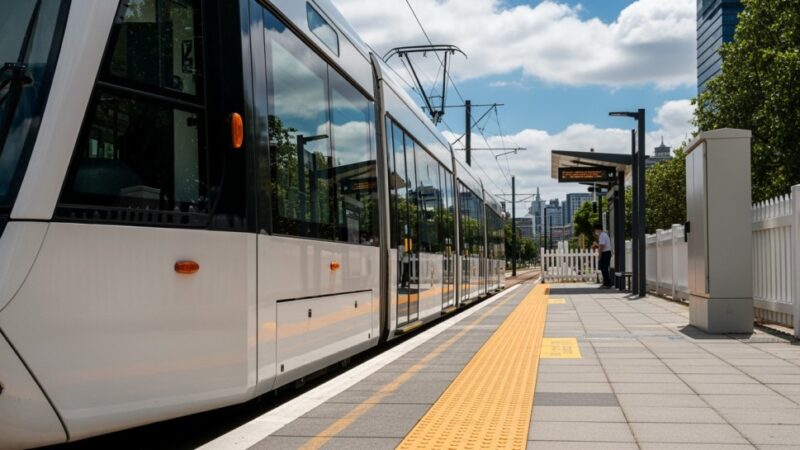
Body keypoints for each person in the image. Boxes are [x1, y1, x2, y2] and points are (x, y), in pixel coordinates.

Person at [592, 223, 613, 288]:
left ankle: (608, 284)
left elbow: (602, 246)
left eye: (595, 231)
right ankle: (606, 283)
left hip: (605, 253)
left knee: (604, 268)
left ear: (597, 229)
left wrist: (600, 255)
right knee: (604, 268)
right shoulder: (603, 235)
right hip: (606, 252)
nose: (595, 232)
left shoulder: (602, 235)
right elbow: (602, 245)